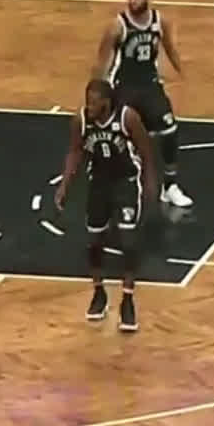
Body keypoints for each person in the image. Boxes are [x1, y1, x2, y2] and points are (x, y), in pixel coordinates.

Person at [54, 78, 159, 332]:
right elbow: (75, 152)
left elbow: (146, 153)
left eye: (94, 102)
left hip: (125, 183)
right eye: (87, 101)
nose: (89, 106)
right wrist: (65, 185)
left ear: (107, 102)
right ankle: (98, 292)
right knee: (95, 241)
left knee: (128, 241)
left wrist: (150, 185)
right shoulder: (81, 121)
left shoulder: (127, 118)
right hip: (99, 184)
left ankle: (128, 299)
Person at [96, 0, 191, 207]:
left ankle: (170, 186)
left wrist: (183, 74)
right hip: (125, 87)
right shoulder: (118, 26)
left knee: (170, 130)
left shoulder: (159, 22)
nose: (133, 0)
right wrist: (99, 93)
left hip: (150, 85)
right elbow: (102, 62)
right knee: (122, 138)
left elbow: (170, 49)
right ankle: (117, 185)